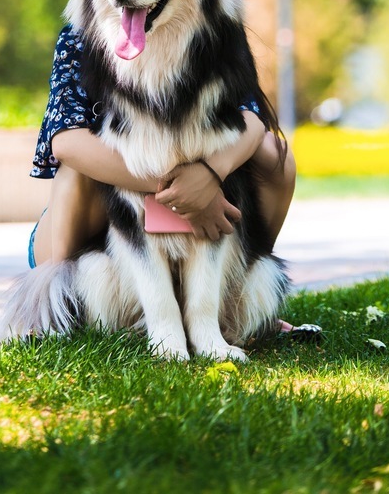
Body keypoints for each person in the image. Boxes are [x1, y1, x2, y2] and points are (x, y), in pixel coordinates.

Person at [27, 24, 319, 338]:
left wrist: (209, 174)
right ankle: (57, 311)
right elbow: (66, 141)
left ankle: (233, 298)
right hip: (88, 235)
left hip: (199, 228)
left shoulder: (217, 26)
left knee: (273, 155)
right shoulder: (81, 32)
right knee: (77, 168)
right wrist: (180, 190)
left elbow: (251, 119)